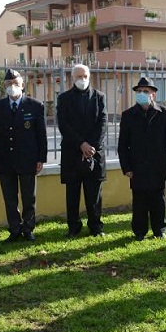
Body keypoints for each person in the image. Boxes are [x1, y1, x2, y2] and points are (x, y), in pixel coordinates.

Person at [118, 77, 166, 240]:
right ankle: (139, 231)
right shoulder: (128, 115)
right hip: (137, 166)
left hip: (159, 164)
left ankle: (159, 229)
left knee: (159, 199)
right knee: (140, 200)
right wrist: (127, 167)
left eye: (146, 91)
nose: (142, 94)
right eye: (139, 92)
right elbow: (123, 144)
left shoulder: (164, 113)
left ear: (153, 94)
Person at [0, 69, 47, 242]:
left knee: (29, 197)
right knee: (10, 198)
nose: (12, 87)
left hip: (28, 159)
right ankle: (14, 229)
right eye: (8, 84)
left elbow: (41, 135)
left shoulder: (35, 106)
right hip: (5, 160)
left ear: (22, 85)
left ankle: (28, 229)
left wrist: (41, 158)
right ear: (4, 87)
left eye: (15, 83)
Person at [57, 64, 107, 237]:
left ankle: (96, 227)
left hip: (94, 153)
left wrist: (90, 146)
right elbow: (63, 125)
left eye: (84, 76)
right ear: (72, 78)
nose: (82, 79)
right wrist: (81, 144)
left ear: (90, 76)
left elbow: (103, 123)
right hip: (72, 152)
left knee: (94, 194)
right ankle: (73, 227)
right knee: (72, 194)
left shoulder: (99, 97)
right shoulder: (63, 98)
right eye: (78, 76)